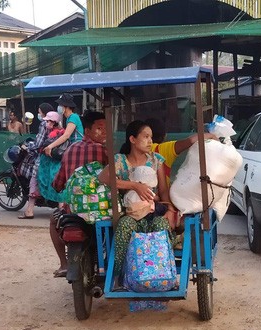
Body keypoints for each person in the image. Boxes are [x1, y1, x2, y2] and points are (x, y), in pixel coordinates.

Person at [97, 120, 175, 282]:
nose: (150, 141)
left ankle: (164, 275)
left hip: (153, 212)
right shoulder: (119, 160)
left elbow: (163, 191)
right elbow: (103, 178)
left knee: (161, 226)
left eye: (151, 137)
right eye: (145, 137)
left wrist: (170, 211)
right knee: (124, 225)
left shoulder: (156, 160)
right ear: (132, 139)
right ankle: (117, 277)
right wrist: (134, 185)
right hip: (130, 214)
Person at [49, 110, 107, 278]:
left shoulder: (69, 150)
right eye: (99, 128)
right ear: (88, 131)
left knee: (54, 221)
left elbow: (58, 185)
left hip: (72, 212)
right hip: (102, 211)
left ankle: (64, 264)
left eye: (106, 128)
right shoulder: (105, 152)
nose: (104, 132)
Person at [37, 93, 84, 207]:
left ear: (66, 106)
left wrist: (50, 146)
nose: (59, 107)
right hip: (73, 149)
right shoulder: (68, 118)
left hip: (76, 150)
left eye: (61, 105)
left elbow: (66, 136)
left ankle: (62, 205)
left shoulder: (73, 117)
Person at [145, 117, 217, 184]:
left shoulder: (138, 148)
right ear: (164, 135)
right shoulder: (162, 149)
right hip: (160, 195)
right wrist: (211, 135)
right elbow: (191, 141)